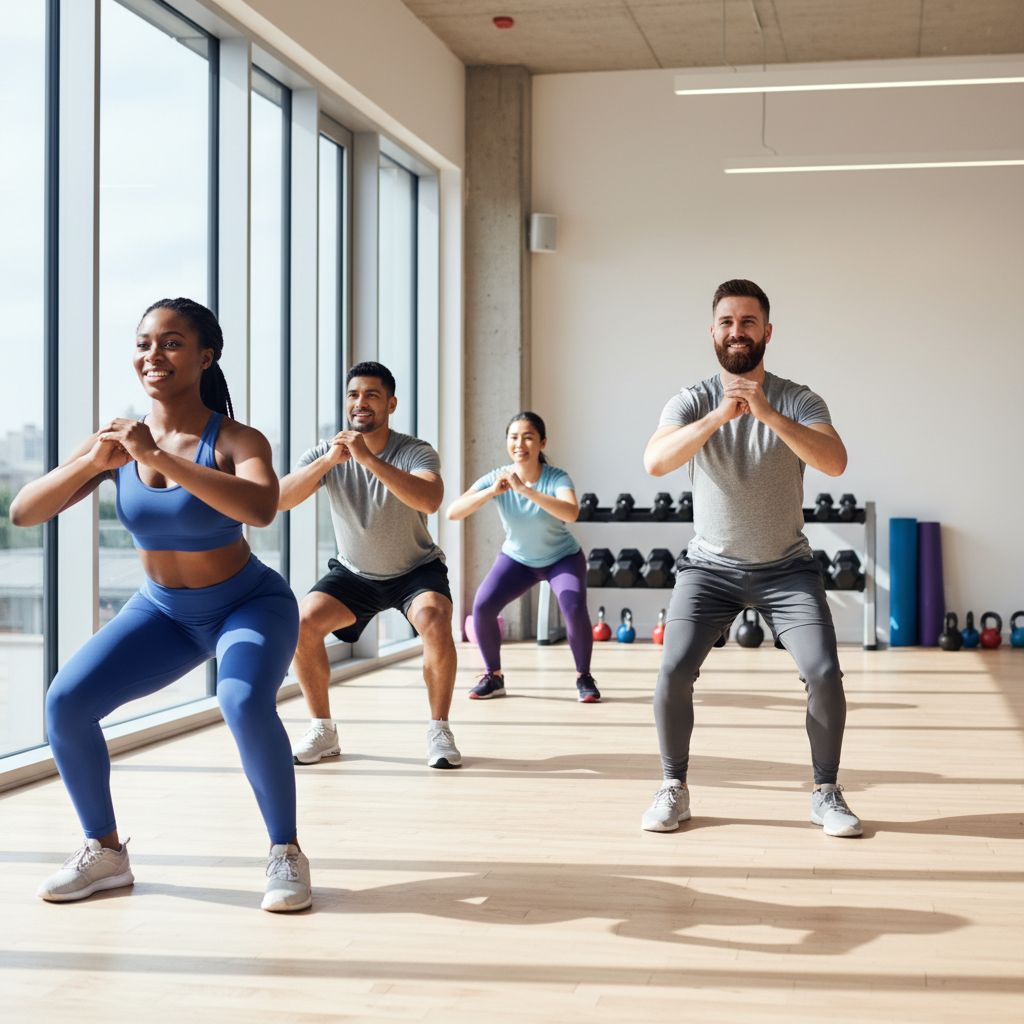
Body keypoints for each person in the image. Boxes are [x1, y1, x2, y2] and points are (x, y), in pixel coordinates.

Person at [10, 297, 311, 909]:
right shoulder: (116, 441)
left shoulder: (235, 439)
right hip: (164, 613)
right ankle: (106, 853)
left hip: (247, 604)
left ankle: (286, 852)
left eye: (172, 343)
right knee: (66, 703)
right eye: (145, 342)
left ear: (205, 356)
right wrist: (97, 461)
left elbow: (260, 507)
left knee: (242, 697)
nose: (155, 354)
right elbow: (24, 512)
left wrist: (156, 456)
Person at [640, 279, 861, 838]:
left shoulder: (799, 398)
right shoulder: (690, 400)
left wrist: (764, 412)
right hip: (708, 570)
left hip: (787, 567)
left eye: (748, 322)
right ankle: (674, 786)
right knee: (672, 670)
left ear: (767, 331)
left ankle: (827, 791)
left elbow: (834, 462)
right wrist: (721, 416)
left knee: (825, 672)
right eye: (726, 322)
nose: (737, 331)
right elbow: (655, 463)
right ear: (713, 332)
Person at [279, 361, 460, 768]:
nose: (360, 403)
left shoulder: (415, 450)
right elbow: (280, 500)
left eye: (372, 395)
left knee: (433, 616)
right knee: (303, 621)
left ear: (391, 404)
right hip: (355, 572)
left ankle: (439, 729)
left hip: (415, 568)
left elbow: (429, 500)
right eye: (353, 395)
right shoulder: (326, 452)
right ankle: (323, 729)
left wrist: (366, 459)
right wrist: (329, 462)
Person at [446, 412, 599, 702]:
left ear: (542, 442)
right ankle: (494, 676)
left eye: (528, 437)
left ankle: (584, 676)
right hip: (517, 560)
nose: (520, 443)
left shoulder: (556, 477)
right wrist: (491, 491)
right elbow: (453, 511)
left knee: (574, 607)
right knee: (483, 606)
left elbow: (571, 512)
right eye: (514, 437)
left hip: (562, 558)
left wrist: (525, 490)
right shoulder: (497, 477)